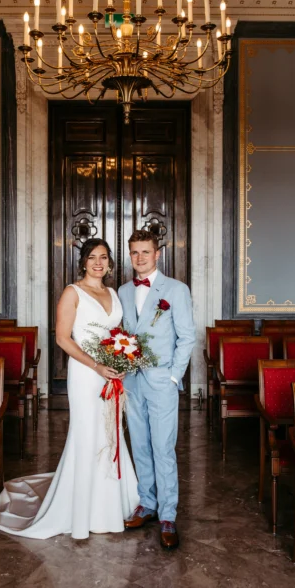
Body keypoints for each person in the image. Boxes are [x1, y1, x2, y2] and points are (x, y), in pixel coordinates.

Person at [0, 238, 139, 539]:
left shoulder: (113, 292)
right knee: (87, 435)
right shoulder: (72, 292)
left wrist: (122, 356)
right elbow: (63, 338)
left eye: (104, 257)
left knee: (111, 432)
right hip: (85, 374)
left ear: (110, 263)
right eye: (92, 257)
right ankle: (80, 514)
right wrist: (96, 365)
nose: (98, 263)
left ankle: (110, 506)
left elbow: (116, 333)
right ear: (82, 262)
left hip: (110, 373)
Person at [118, 230, 195, 550]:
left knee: (163, 448)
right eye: (134, 252)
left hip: (162, 380)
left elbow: (187, 337)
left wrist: (174, 377)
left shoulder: (176, 290)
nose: (139, 258)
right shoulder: (122, 291)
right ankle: (146, 504)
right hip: (132, 382)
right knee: (140, 445)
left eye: (145, 252)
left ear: (157, 253)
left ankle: (168, 515)